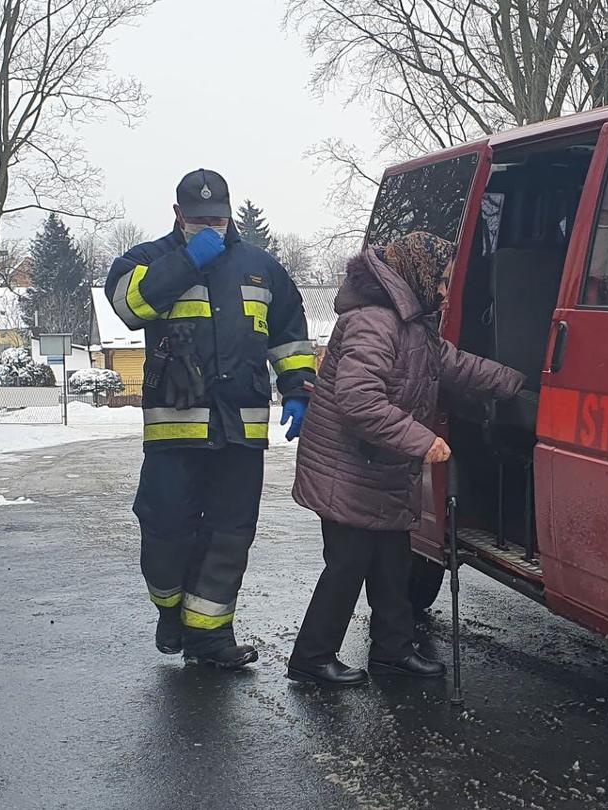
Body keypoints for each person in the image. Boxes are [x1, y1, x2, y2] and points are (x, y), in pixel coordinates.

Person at [287, 232, 526, 686]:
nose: (444, 289)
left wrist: (519, 382)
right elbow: (359, 401)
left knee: (392, 564)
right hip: (349, 469)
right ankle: (311, 657)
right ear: (419, 273)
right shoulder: (374, 322)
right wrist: (422, 440)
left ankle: (392, 652)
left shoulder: (412, 321)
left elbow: (453, 364)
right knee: (348, 566)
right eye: (441, 279)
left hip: (378, 469)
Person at [103, 168, 317, 669]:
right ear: (178, 215)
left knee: (229, 537)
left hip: (240, 432)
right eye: (199, 220)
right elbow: (127, 306)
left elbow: (289, 332)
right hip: (174, 433)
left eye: (217, 218)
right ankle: (169, 608)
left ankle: (210, 639)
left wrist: (296, 389)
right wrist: (184, 263)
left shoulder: (261, 268)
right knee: (165, 531)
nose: (210, 226)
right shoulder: (148, 260)